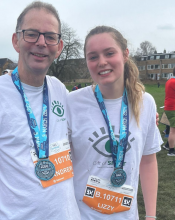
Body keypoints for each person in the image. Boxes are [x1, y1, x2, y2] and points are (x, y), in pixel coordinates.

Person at [0, 2, 80, 220]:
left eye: (49, 36)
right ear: (16, 41)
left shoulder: (60, 90)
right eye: (32, 34)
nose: (41, 42)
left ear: (59, 46)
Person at [67, 26, 162, 220]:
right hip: (81, 215)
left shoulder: (145, 103)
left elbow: (148, 161)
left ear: (125, 54)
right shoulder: (71, 102)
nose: (102, 62)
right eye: (93, 57)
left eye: (109, 53)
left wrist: (151, 216)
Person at [163, 67, 175, 156]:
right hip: (173, 108)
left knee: (171, 129)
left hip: (168, 107)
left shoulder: (169, 81)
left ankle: (167, 145)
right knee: (173, 131)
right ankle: (171, 151)